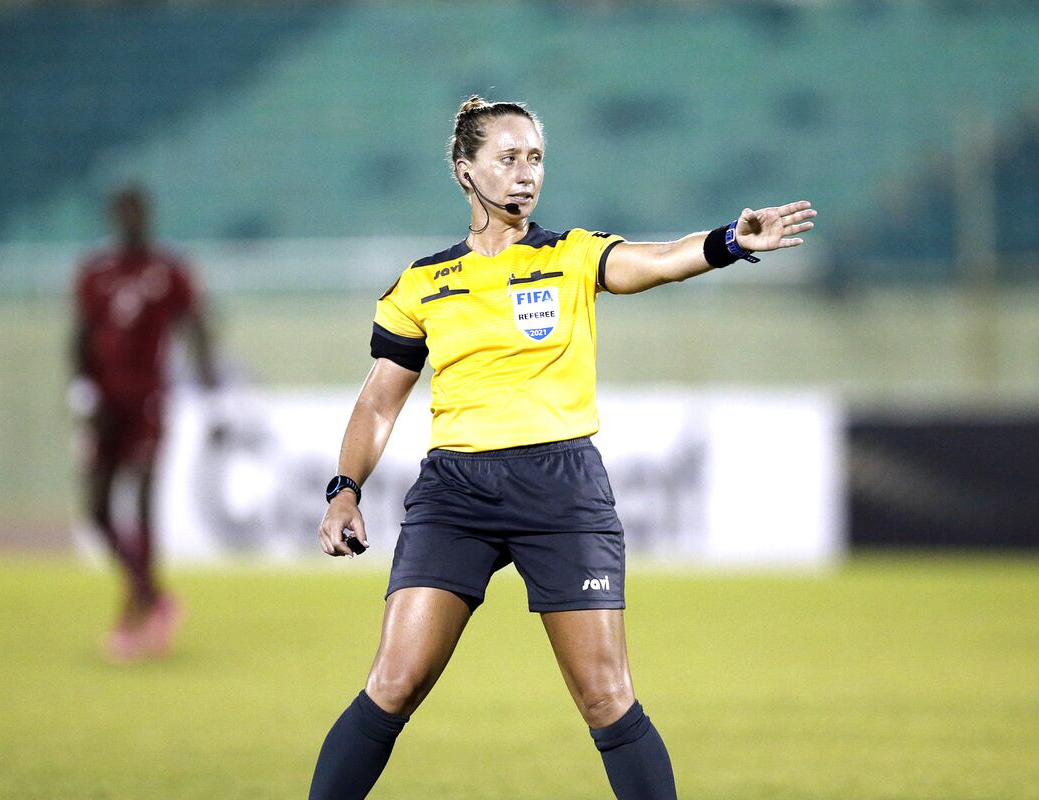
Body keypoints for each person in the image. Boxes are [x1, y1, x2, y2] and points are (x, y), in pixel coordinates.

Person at [311, 96, 816, 799]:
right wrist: (344, 490)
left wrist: (728, 241)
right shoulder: (421, 285)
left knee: (606, 697)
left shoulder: (572, 255)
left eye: (536, 158)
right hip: (454, 493)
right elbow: (377, 403)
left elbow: (657, 261)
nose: (526, 174)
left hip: (561, 487)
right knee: (392, 684)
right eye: (507, 158)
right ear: (465, 170)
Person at [69, 186, 222, 663]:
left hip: (149, 402)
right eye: (124, 213)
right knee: (97, 508)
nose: (131, 220)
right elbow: (81, 335)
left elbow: (196, 323)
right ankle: (152, 594)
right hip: (105, 405)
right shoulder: (96, 272)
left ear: (147, 216)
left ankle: (138, 608)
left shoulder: (167, 270)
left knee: (141, 500)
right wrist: (82, 391)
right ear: (115, 217)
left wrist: (209, 383)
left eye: (138, 212)